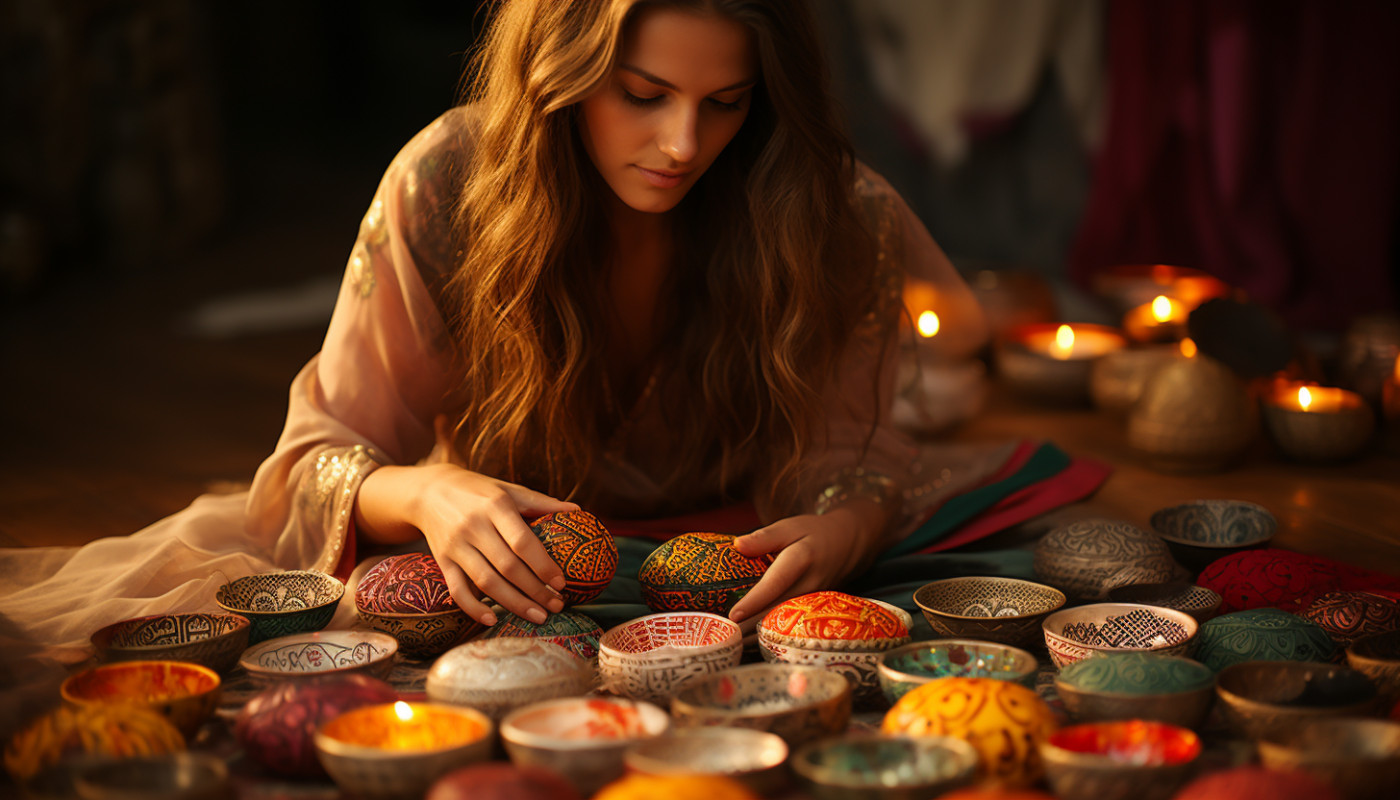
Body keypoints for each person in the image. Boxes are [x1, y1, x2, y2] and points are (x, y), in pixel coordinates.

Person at [0, 0, 989, 677]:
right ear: (558, 69)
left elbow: (852, 459)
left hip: (731, 594)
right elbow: (309, 460)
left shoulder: (822, 208)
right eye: (641, 94)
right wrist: (430, 490)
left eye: (723, 103)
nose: (683, 144)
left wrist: (843, 527)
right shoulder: (447, 186)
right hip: (502, 584)